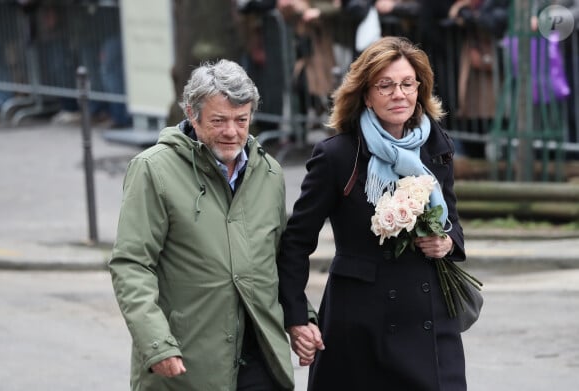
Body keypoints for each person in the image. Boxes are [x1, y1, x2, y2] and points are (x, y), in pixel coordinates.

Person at [277, 36, 468, 390]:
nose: (399, 94)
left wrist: (446, 243)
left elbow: (453, 223)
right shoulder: (337, 155)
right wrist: (297, 316)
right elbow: (296, 242)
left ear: (419, 89)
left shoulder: (435, 144)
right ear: (366, 94)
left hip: (429, 323)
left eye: (407, 84)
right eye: (386, 85)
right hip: (361, 324)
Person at [109, 59, 294, 391]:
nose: (232, 132)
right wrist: (156, 343)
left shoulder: (269, 173)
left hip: (260, 359)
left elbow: (277, 258)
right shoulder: (153, 170)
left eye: (242, 120)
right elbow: (131, 264)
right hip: (187, 362)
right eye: (218, 120)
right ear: (191, 115)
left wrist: (301, 318)